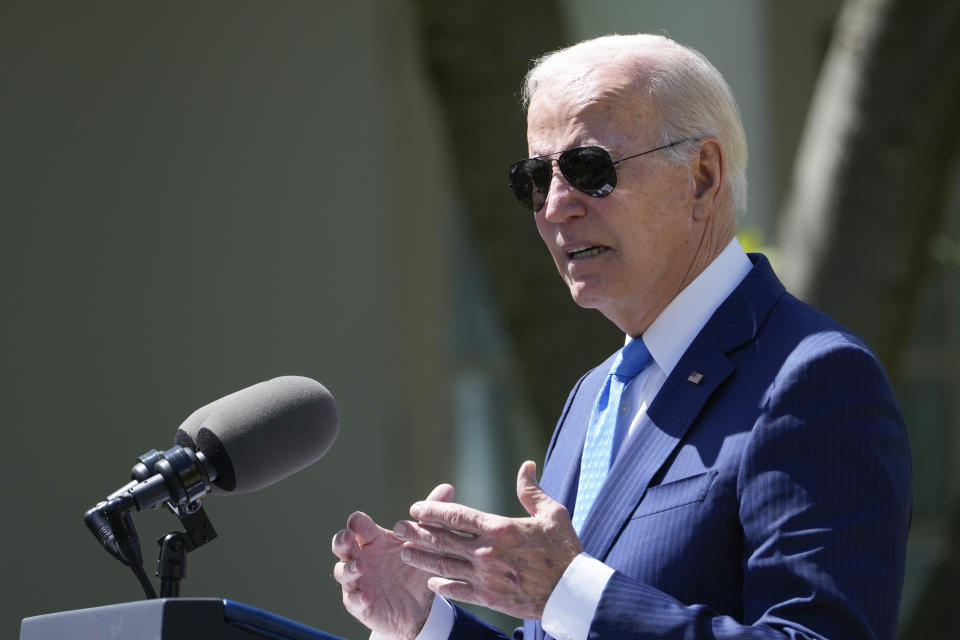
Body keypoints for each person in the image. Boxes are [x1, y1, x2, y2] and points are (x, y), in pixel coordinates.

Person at [332, 33, 912, 640]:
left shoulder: (813, 376)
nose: (556, 206)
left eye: (589, 169)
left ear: (702, 177)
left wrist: (570, 591)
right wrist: (426, 625)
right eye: (535, 177)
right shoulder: (595, 394)